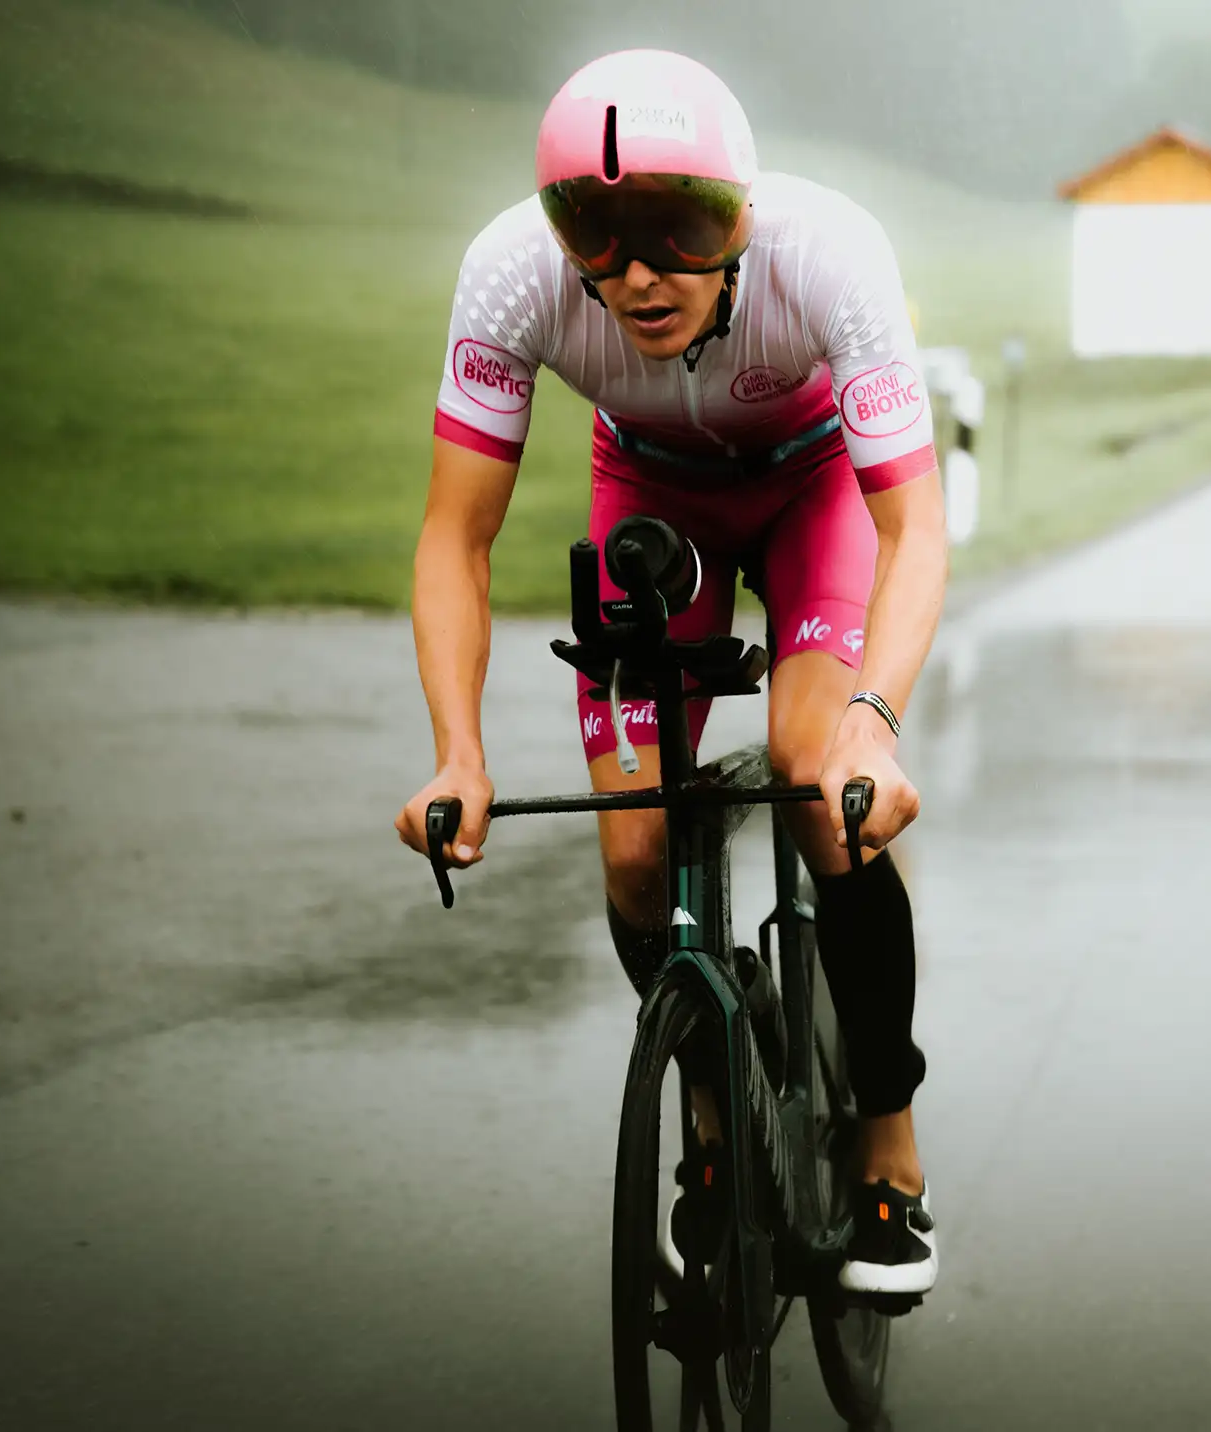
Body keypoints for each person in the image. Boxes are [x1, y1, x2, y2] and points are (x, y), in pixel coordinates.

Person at [395, 50, 947, 1295]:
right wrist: (458, 754)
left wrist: (873, 723)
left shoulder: (830, 254)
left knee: (818, 785)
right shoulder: (510, 274)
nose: (642, 276)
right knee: (639, 850)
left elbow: (912, 524)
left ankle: (890, 1145)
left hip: (819, 496)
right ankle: (713, 1116)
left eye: (682, 230)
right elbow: (455, 537)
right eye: (599, 233)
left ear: (740, 214)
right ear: (559, 231)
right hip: (652, 500)